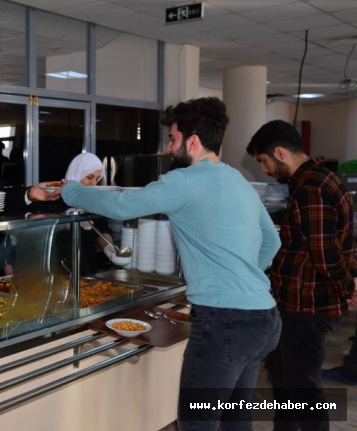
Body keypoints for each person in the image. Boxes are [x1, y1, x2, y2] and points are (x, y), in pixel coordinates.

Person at [61, 97, 281, 430]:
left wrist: (72, 192)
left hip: (225, 323)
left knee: (197, 422)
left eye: (173, 139)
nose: (168, 147)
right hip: (264, 318)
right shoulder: (237, 180)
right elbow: (272, 241)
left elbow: (123, 205)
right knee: (237, 420)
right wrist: (242, 279)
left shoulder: (184, 181)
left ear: (192, 142)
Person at [246, 119, 357, 429]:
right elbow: (344, 242)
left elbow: (327, 256)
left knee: (303, 390)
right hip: (298, 303)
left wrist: (349, 288)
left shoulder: (311, 187)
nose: (264, 170)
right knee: (283, 378)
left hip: (306, 307)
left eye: (263, 161)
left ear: (281, 152)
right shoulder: (323, 179)